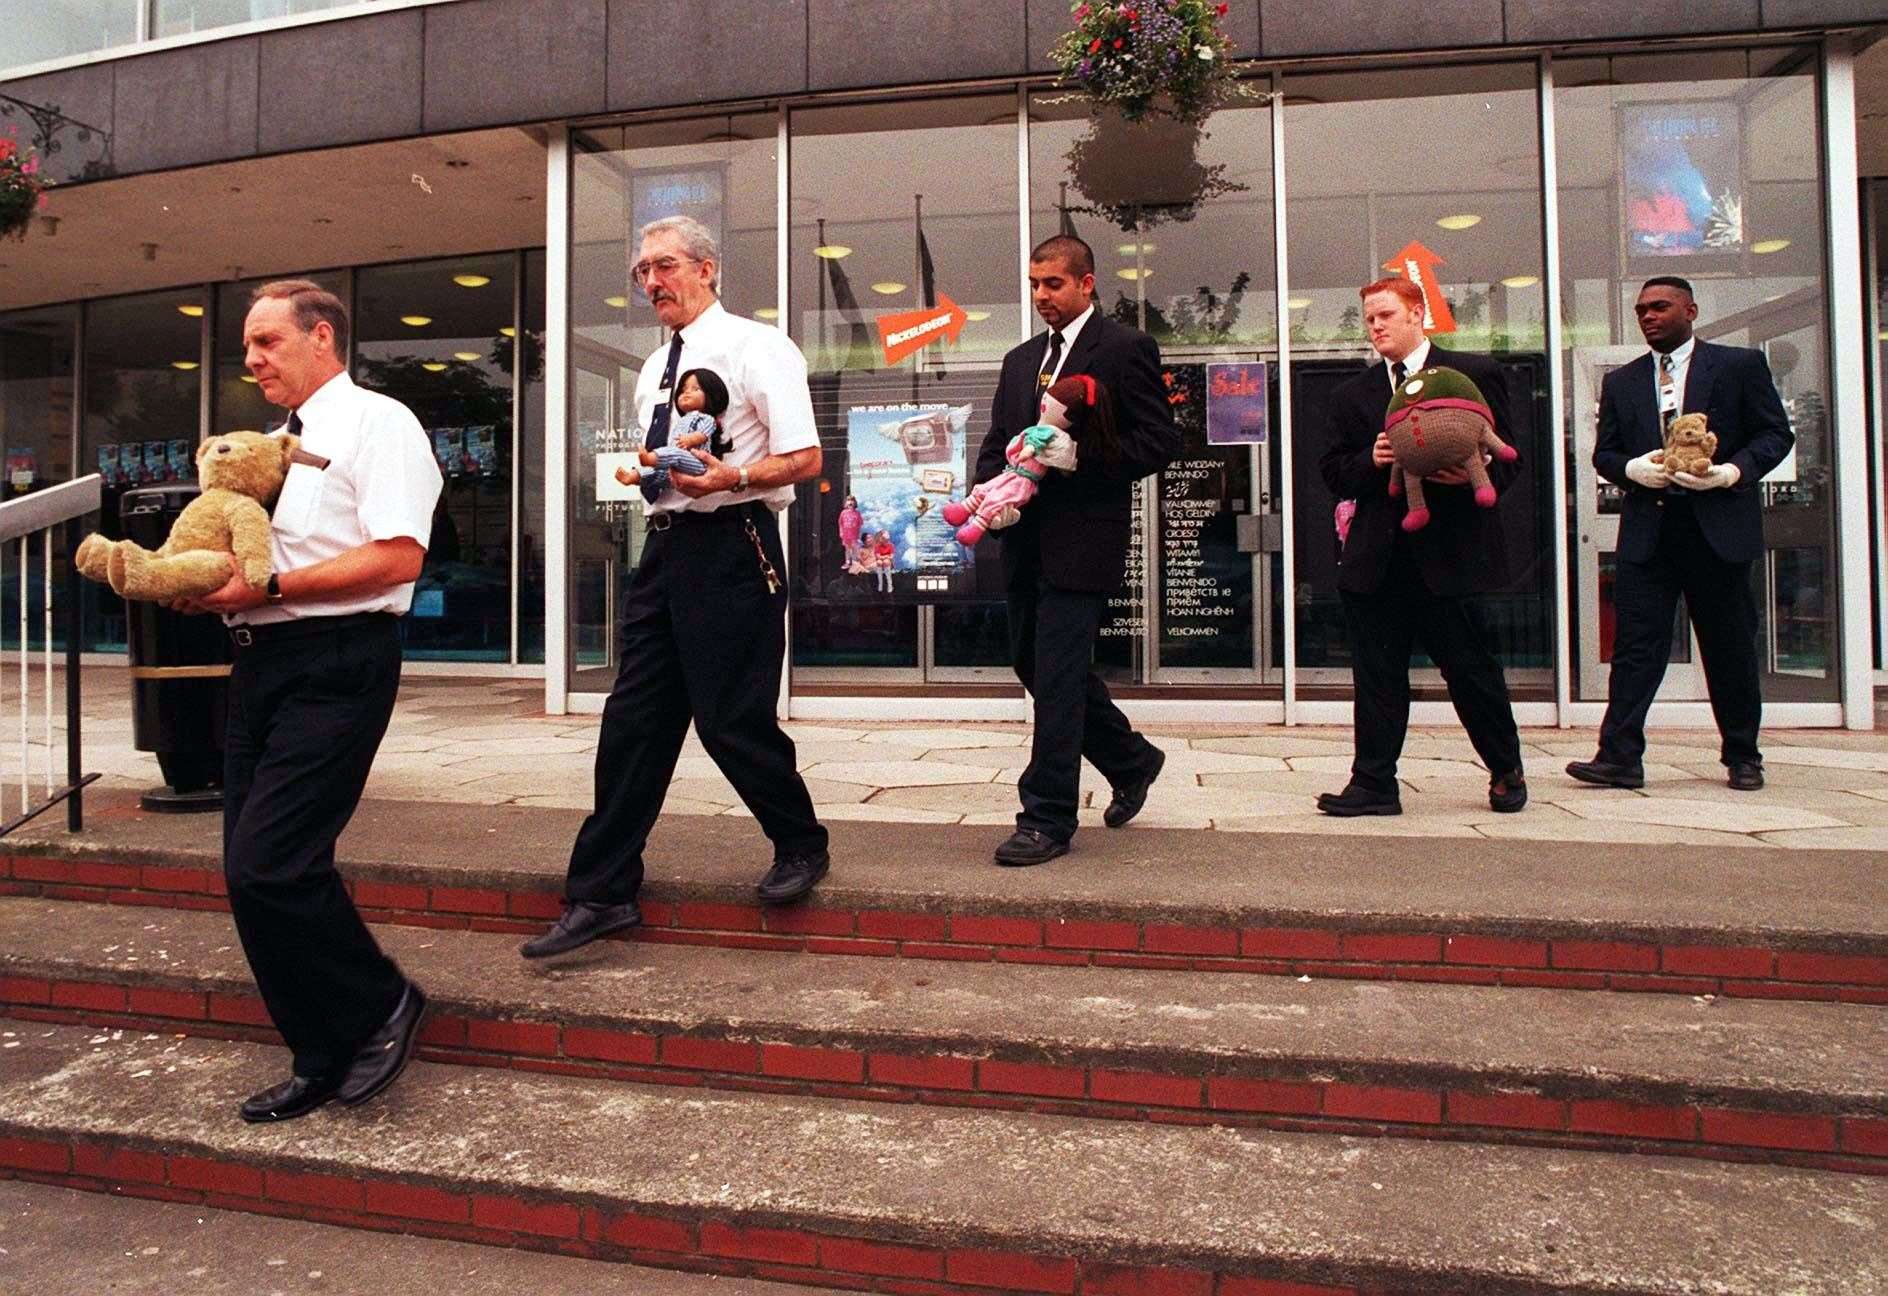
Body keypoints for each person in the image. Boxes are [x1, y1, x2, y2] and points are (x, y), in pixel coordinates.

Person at [523, 215, 829, 960]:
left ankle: (800, 842)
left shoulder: (761, 347)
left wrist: (737, 476)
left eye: (664, 267)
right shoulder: (656, 366)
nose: (652, 283)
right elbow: (666, 460)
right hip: (665, 549)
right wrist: (644, 470)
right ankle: (601, 892)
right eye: (641, 273)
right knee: (633, 721)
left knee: (731, 718)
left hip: (736, 540)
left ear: (707, 268)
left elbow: (806, 457)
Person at [184, 279, 442, 1122]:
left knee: (273, 860)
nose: (252, 359)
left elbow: (400, 556)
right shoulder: (264, 446)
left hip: (337, 660)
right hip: (259, 665)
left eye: (268, 342)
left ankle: (383, 1004)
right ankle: (318, 1049)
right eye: (248, 347)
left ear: (321, 337)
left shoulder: (379, 423)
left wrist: (273, 586)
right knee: (247, 873)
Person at [975, 234, 1179, 867]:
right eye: (1035, 284)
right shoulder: (1019, 360)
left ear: (1087, 283)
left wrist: (1080, 457)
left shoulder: (1125, 349)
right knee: (1033, 667)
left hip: (1084, 541)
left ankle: (1047, 818)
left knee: (1060, 676)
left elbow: (1159, 440)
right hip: (1023, 540)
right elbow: (997, 440)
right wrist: (987, 494)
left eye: (1053, 284)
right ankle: (1131, 759)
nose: (1042, 296)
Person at [1567, 275, 1793, 792]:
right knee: (1636, 648)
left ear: (1689, 311)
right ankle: (1619, 756)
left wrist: (1732, 472)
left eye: (1660, 307)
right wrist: (1630, 469)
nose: (1648, 315)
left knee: (1728, 645)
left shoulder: (1738, 367)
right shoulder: (1622, 381)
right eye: (1642, 309)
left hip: (1716, 528)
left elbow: (1775, 434)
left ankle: (1742, 755)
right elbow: (1605, 453)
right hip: (1651, 532)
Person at [1315, 276, 1526, 817]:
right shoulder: (1353, 394)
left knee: (1472, 671)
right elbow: (1334, 471)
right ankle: (1374, 785)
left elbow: (1510, 460)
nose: (1376, 327)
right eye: (1369, 319)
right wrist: (1373, 461)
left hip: (1454, 558)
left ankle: (1506, 771)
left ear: (1418, 314)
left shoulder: (1473, 375)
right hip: (1379, 561)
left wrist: (1471, 482)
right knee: (1378, 678)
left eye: (1386, 315)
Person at [614, 367, 729, 494]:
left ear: (712, 395)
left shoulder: (706, 418)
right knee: (657, 472)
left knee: (675, 454)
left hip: (696, 462)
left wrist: (690, 439)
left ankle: (650, 458)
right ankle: (632, 477)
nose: (687, 393)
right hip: (676, 464)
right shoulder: (682, 420)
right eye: (683, 390)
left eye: (696, 389)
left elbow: (703, 434)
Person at [838, 494, 863, 569]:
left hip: (854, 534)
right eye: (848, 500)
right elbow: (840, 523)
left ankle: (855, 563)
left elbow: (860, 523)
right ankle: (848, 562)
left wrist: (859, 533)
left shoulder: (857, 513)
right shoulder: (843, 513)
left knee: (854, 548)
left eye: (852, 501)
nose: (850, 503)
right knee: (847, 549)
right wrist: (841, 532)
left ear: (855, 503)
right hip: (846, 534)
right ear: (846, 503)